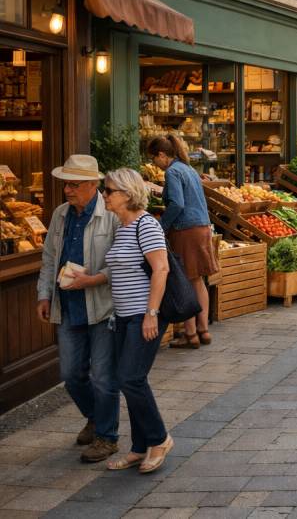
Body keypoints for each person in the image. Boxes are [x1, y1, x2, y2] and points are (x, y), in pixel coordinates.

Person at [36, 155, 120, 463]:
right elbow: (48, 259)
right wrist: (44, 294)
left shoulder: (110, 214)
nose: (67, 191)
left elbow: (125, 264)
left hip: (102, 306)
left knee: (103, 376)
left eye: (74, 185)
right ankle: (96, 417)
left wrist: (93, 279)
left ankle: (107, 437)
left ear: (92, 185)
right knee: (71, 374)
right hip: (68, 306)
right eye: (65, 184)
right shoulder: (61, 214)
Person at [101, 168, 174, 474]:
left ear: (127, 194)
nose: (104, 195)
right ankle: (139, 447)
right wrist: (88, 279)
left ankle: (159, 440)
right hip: (123, 316)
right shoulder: (122, 227)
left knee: (130, 378)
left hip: (142, 316)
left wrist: (151, 314)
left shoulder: (146, 225)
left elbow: (161, 270)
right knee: (129, 380)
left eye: (108, 191)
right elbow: (120, 270)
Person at [146, 135, 218, 349]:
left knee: (184, 281)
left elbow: (177, 204)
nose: (153, 164)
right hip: (202, 227)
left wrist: (161, 226)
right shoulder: (188, 169)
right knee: (198, 281)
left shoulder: (173, 171)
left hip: (185, 230)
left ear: (161, 154)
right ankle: (203, 330)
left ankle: (190, 334)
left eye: (153, 159)